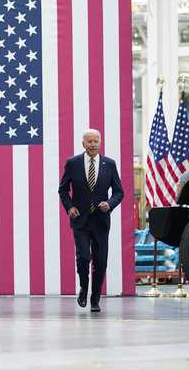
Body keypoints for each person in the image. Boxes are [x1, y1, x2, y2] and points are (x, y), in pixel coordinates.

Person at [58, 129, 124, 312]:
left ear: (100, 143)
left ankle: (95, 298)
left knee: (100, 261)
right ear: (83, 144)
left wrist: (109, 204)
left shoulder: (109, 164)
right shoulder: (73, 163)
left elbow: (119, 192)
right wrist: (69, 207)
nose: (93, 144)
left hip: (101, 221)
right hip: (80, 220)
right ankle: (84, 288)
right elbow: (62, 190)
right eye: (89, 141)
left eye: (96, 141)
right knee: (83, 257)